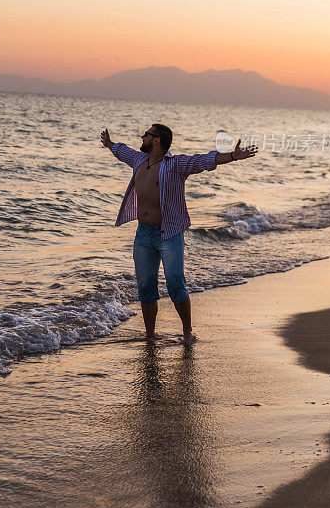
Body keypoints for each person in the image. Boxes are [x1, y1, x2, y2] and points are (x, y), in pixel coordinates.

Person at [101, 124, 257, 344]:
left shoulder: (176, 165)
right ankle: (150, 335)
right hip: (143, 234)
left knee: (175, 283)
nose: (143, 136)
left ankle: (187, 332)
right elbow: (121, 150)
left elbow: (204, 160)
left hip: (169, 233)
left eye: (147, 134)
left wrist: (232, 156)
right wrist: (109, 144)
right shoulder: (138, 160)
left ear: (156, 141)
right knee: (146, 286)